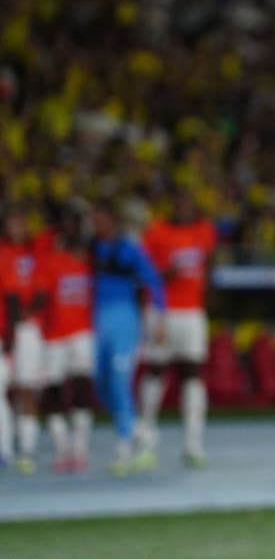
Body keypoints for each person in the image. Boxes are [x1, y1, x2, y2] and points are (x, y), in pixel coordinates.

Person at [137, 191, 218, 467]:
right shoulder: (157, 232)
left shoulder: (203, 230)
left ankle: (193, 444)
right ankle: (145, 439)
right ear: (172, 204)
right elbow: (143, 274)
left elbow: (208, 264)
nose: (184, 207)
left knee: (193, 372)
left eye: (188, 202)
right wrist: (166, 275)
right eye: (180, 202)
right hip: (163, 312)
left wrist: (205, 299)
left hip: (192, 313)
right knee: (156, 369)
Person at [89, 200, 167, 476]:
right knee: (101, 383)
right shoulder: (90, 249)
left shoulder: (129, 249)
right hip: (98, 321)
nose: (96, 224)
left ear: (111, 220)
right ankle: (139, 431)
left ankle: (123, 443)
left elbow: (154, 281)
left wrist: (159, 318)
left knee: (121, 380)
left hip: (125, 321)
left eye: (100, 218)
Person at [39, 213, 96, 472]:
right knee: (53, 391)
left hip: (82, 333)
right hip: (53, 336)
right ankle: (62, 449)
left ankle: (79, 448)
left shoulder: (92, 262)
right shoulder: (51, 261)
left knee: (82, 386)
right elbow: (40, 296)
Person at [0, 209, 48, 474]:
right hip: (5, 328)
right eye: (10, 223)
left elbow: (41, 292)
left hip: (27, 329)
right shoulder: (2, 253)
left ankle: (27, 449)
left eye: (19, 222)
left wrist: (22, 321)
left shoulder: (36, 252)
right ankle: (4, 448)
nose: (15, 228)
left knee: (25, 388)